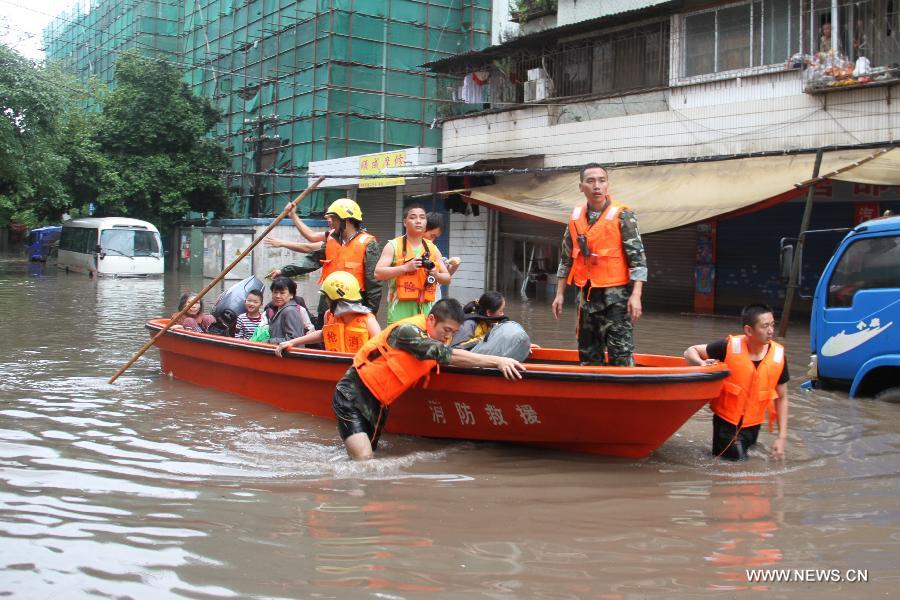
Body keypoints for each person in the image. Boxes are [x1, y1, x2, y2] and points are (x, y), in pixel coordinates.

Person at [333, 298, 526, 460]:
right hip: (353, 395)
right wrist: (498, 362)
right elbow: (449, 355)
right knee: (364, 461)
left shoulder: (436, 335)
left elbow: (465, 347)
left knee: (367, 456)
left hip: (378, 403)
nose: (448, 337)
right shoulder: (407, 331)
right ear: (432, 319)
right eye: (446, 330)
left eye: (453, 333)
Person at [551, 163, 647, 366]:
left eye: (602, 181)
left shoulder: (623, 215)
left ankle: (623, 394)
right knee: (588, 357)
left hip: (616, 300)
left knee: (621, 356)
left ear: (607, 185)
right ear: (581, 187)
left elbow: (638, 259)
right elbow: (566, 258)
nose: (597, 186)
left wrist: (636, 295)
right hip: (585, 299)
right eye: (591, 181)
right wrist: (559, 294)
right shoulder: (575, 217)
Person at [683, 304, 790, 461]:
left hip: (753, 425)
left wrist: (781, 437)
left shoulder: (778, 356)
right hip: (727, 424)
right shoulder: (728, 347)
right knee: (736, 466)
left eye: (773, 325)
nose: (771, 331)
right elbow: (690, 351)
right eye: (765, 326)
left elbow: (782, 397)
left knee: (737, 463)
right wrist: (701, 364)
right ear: (748, 330)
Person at [267, 198, 382, 323]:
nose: (330, 222)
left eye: (333, 218)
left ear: (346, 220)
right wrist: (283, 271)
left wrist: (371, 312)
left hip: (354, 306)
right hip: (327, 303)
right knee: (326, 337)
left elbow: (373, 283)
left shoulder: (368, 244)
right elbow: (311, 260)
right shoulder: (331, 240)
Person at [375, 204, 451, 324]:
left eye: (422, 217)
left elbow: (447, 278)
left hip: (425, 315)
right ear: (405, 222)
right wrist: (405, 267)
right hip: (399, 315)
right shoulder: (393, 246)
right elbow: (378, 273)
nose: (418, 221)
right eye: (413, 217)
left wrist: (436, 274)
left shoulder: (433, 248)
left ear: (426, 223)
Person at [275, 271, 381, 357]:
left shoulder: (368, 320)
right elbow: (322, 334)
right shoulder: (329, 315)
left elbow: (380, 346)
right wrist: (292, 342)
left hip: (359, 370)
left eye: (327, 298)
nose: (326, 301)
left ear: (337, 299)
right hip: (335, 365)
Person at [451, 291, 533, 361]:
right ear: (489, 313)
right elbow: (455, 350)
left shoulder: (490, 323)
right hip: (468, 361)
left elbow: (498, 340)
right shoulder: (469, 324)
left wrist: (520, 344)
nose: (503, 314)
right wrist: (487, 339)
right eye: (501, 311)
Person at [424, 211, 461, 301]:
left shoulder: (434, 249)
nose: (432, 239)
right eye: (432, 235)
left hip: (431, 298)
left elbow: (446, 278)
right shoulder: (403, 245)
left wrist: (455, 265)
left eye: (435, 237)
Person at [266, 277, 314, 345]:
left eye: (282, 293)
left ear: (291, 295)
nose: (277, 296)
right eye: (275, 292)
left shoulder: (290, 311)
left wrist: (268, 341)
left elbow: (294, 339)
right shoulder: (281, 309)